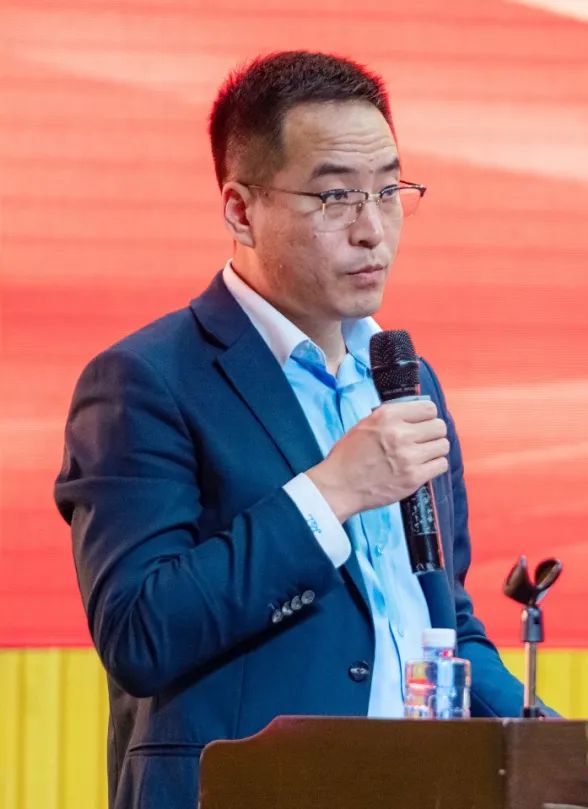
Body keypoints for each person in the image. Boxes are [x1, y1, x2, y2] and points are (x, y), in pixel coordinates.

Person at [54, 50, 541, 809]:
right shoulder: (145, 380)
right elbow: (140, 632)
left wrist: (572, 753)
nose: (372, 230)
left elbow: (440, 618)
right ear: (240, 210)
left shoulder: (405, 378)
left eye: (389, 190)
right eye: (335, 196)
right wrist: (329, 493)